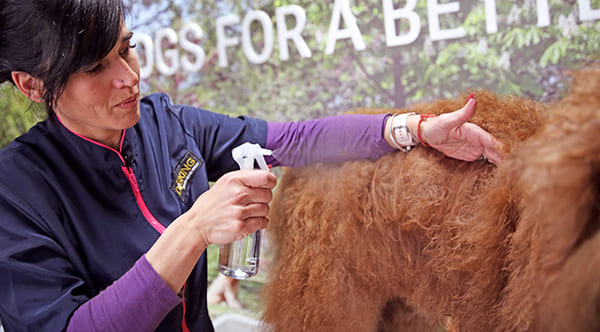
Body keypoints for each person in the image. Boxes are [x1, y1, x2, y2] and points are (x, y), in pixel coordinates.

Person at [0, 0, 502, 331]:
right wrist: (194, 228)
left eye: (127, 50)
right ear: (32, 85)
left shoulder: (166, 125)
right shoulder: (16, 192)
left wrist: (411, 129)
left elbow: (292, 140)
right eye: (95, 67)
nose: (128, 78)